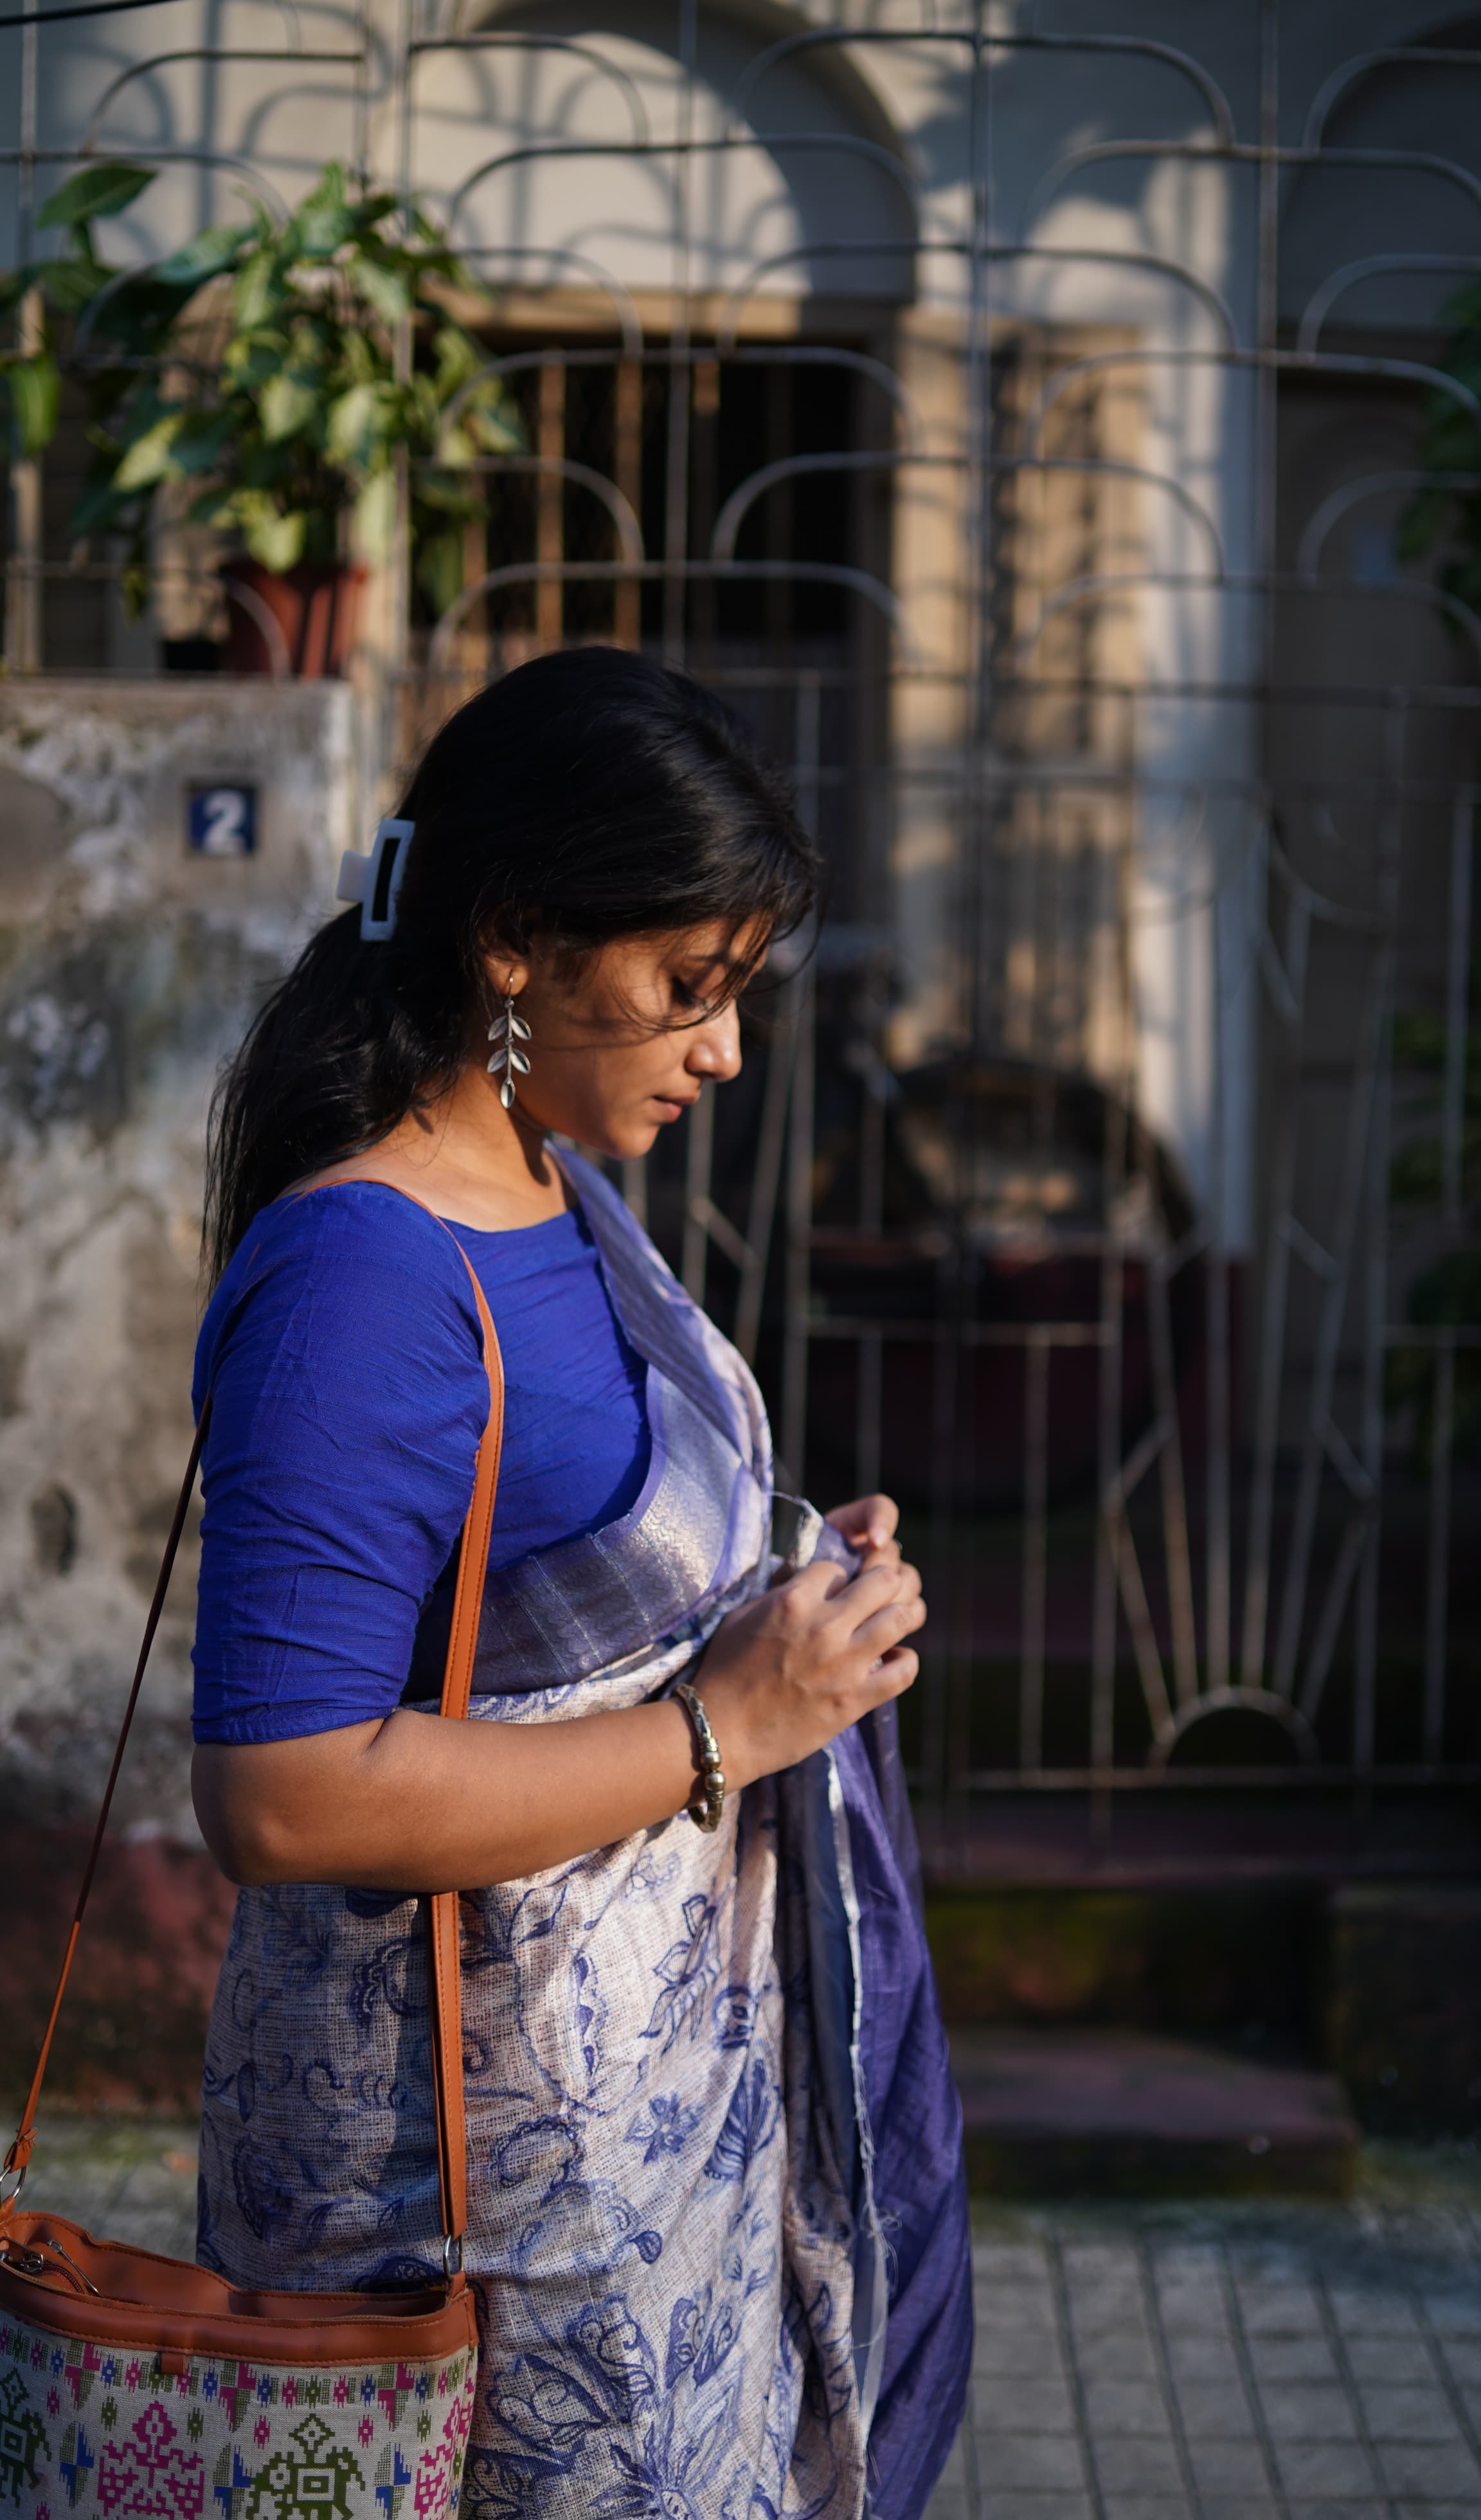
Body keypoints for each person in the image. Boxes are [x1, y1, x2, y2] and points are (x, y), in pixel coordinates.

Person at [188, 647, 971, 2520]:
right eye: (688, 988)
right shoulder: (365, 1277)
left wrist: (783, 1590)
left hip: (646, 2147)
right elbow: (286, 1794)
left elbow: (574, 1579)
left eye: (738, 992)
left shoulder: (551, 1185)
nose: (721, 1047)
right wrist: (730, 1718)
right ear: (516, 941)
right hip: (459, 2208)